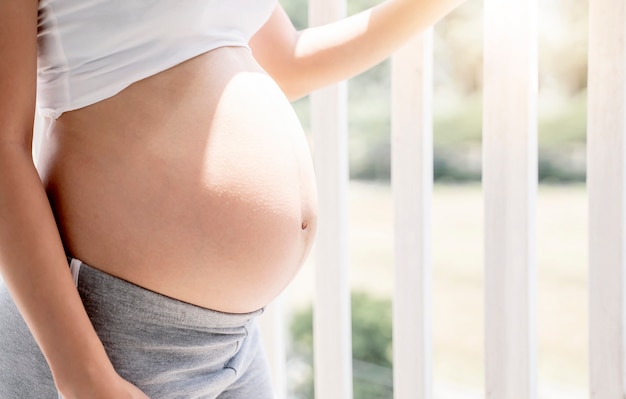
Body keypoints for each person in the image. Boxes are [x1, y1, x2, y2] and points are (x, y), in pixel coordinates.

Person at [0, 0, 465, 397]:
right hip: (117, 337)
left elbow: (286, 60)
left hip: (235, 340)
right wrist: (83, 377)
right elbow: (4, 147)